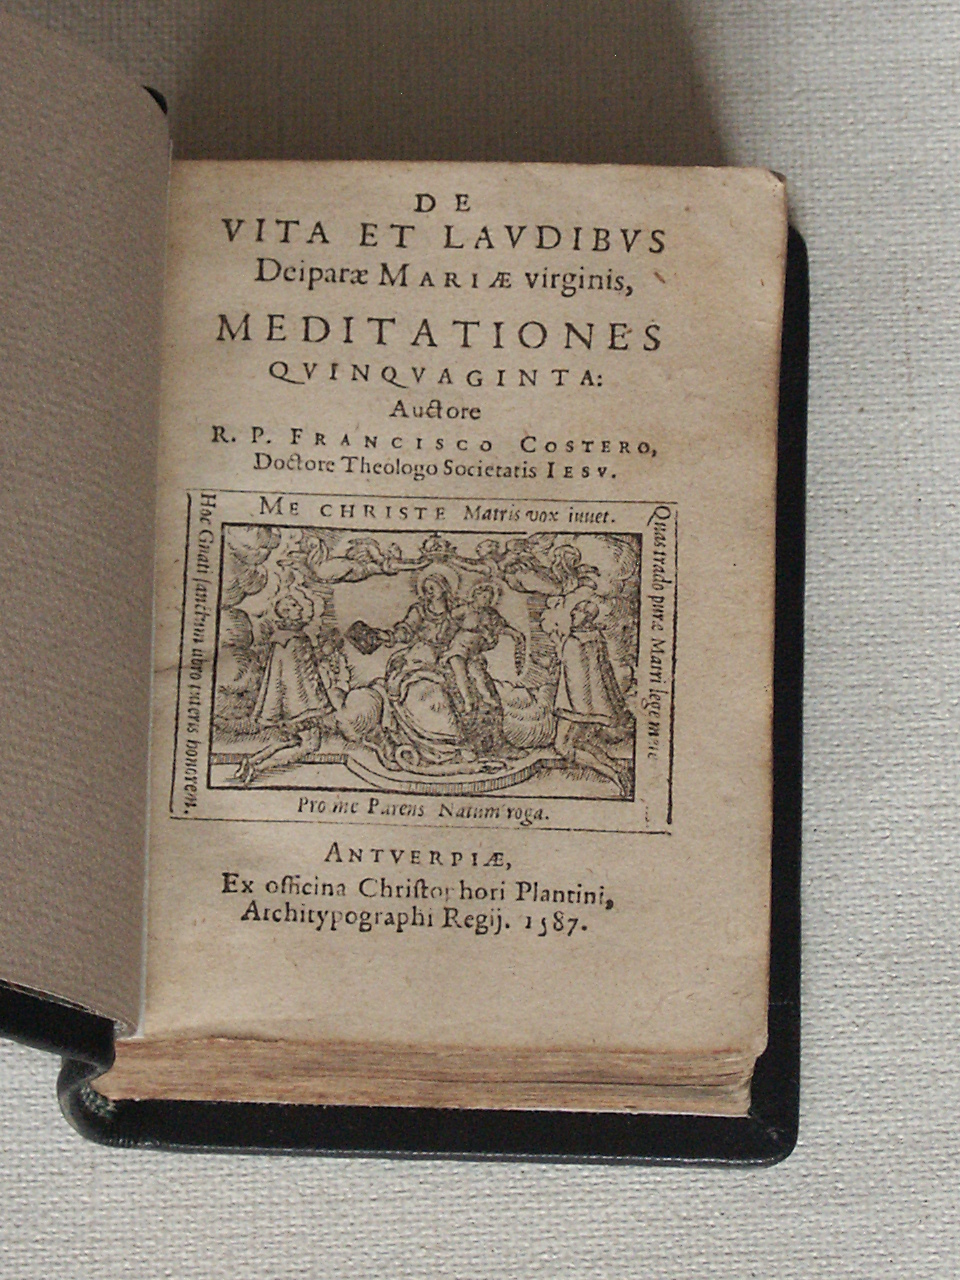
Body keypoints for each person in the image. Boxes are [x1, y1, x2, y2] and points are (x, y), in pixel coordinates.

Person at [234, 595, 334, 784]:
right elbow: (303, 676)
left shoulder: (280, 639)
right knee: (310, 745)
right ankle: (257, 768)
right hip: (302, 707)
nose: (300, 608)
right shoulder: (297, 639)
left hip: (286, 708)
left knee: (290, 741)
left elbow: (278, 678)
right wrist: (326, 651)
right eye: (295, 605)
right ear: (286, 613)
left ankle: (251, 761)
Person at [553, 598, 633, 795]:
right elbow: (604, 676)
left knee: (562, 747)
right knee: (581, 743)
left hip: (573, 707)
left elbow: (573, 679)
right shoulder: (597, 639)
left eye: (577, 611)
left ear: (587, 616)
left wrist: (575, 711)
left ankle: (614, 775)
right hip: (593, 708)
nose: (573, 613)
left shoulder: (574, 641)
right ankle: (618, 768)